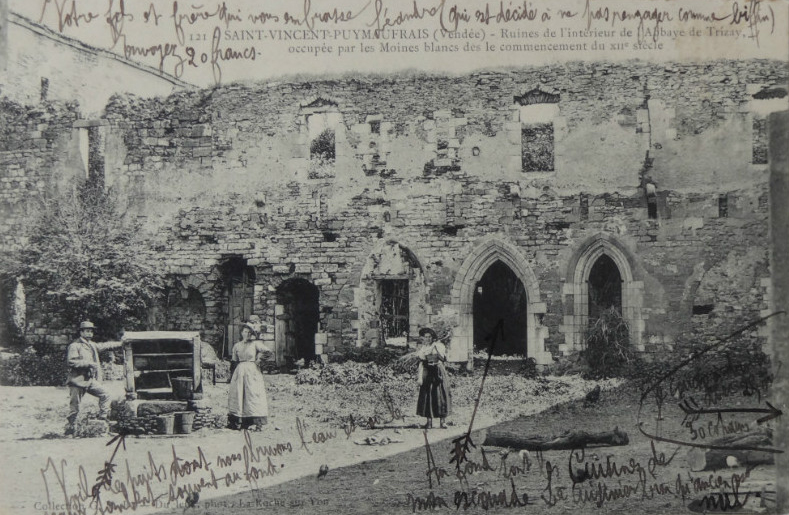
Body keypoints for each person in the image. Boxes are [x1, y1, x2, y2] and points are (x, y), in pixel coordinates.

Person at [66, 321, 111, 435]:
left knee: (105, 394)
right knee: (74, 407)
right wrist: (88, 363)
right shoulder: (75, 346)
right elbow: (71, 361)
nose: (90, 333)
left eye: (91, 331)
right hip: (77, 380)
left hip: (89, 380)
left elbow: (106, 346)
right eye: (87, 331)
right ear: (81, 332)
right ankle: (71, 430)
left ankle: (102, 419)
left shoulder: (92, 345)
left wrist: (122, 342)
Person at [228, 321, 273, 431]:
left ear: (251, 334)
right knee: (239, 395)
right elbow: (234, 361)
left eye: (249, 332)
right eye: (245, 332)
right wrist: (231, 376)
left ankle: (257, 422)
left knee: (253, 394)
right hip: (240, 371)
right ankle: (240, 422)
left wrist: (259, 359)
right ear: (241, 333)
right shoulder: (237, 346)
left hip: (252, 371)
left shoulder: (255, 344)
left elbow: (268, 351)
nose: (247, 334)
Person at [416, 327, 451, 429]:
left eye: (429, 337)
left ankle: (443, 422)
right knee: (428, 396)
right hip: (428, 372)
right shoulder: (422, 349)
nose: (427, 339)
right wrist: (420, 377)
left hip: (438, 371)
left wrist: (435, 349)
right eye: (425, 337)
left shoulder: (439, 346)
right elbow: (421, 363)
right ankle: (429, 422)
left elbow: (443, 359)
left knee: (441, 395)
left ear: (433, 338)